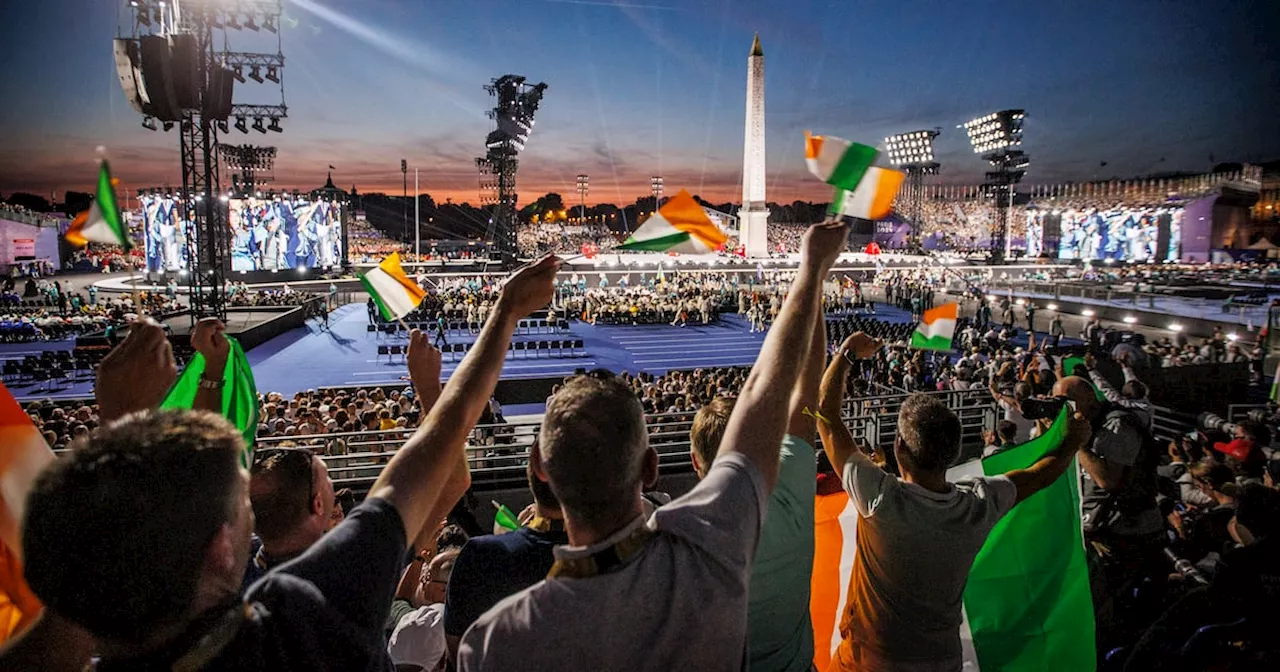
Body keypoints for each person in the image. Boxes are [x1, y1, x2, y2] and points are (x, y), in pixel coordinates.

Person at [9, 256, 561, 670]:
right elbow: (436, 452)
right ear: (223, 544)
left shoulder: (87, 630)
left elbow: (68, 613)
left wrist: (126, 435)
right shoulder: (302, 612)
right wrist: (502, 316)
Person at [459, 222, 849, 670]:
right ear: (650, 467)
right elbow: (767, 391)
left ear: (540, 467)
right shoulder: (709, 546)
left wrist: (507, 310)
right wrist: (812, 268)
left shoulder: (495, 642)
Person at [816, 333, 1092, 671]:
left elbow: (826, 414)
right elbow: (1040, 474)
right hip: (941, 661)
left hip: (869, 661)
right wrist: (1071, 443)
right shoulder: (979, 504)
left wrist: (846, 352)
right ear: (954, 451)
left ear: (899, 448)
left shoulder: (880, 500)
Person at [685, 301, 826, 672]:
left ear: (695, 460)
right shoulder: (792, 486)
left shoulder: (674, 534)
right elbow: (809, 393)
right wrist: (814, 294)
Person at [443, 456, 569, 659]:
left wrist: (513, 538)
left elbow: (458, 649)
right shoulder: (619, 561)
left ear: (537, 468)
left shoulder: (480, 557)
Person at [241, 447, 335, 592]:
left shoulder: (232, 580)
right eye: (327, 477)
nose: (331, 483)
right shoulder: (342, 581)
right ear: (318, 504)